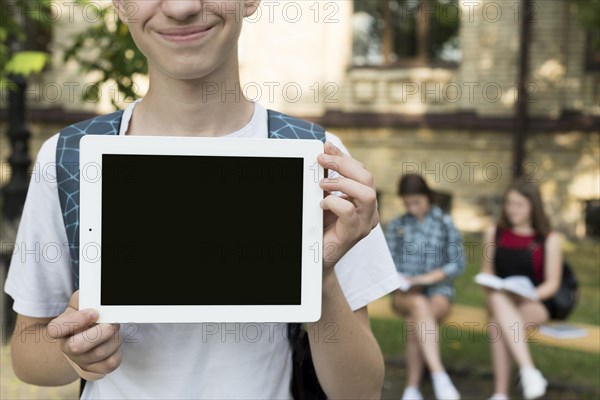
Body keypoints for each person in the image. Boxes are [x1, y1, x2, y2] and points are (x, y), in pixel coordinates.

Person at [4, 1, 400, 398]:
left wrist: (319, 274)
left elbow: (360, 392)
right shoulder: (69, 158)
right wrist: (73, 353)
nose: (181, 7)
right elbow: (27, 352)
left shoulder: (318, 158)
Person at [385, 174, 465, 400]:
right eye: (407, 203)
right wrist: (403, 281)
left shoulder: (444, 223)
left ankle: (412, 389)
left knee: (415, 322)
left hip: (438, 291)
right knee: (418, 305)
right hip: (404, 294)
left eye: (417, 202)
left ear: (428, 197)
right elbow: (388, 263)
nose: (412, 208)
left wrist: (425, 279)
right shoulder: (398, 225)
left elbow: (457, 264)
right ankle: (439, 376)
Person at [481, 181, 562, 400]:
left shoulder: (548, 239)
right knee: (498, 301)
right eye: (509, 204)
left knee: (498, 325)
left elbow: (553, 283)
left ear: (533, 207)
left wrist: (527, 295)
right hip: (500, 300)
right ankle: (528, 371)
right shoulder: (494, 233)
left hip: (535, 302)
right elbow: (486, 273)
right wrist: (495, 286)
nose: (512, 209)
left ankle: (501, 393)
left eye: (519, 204)